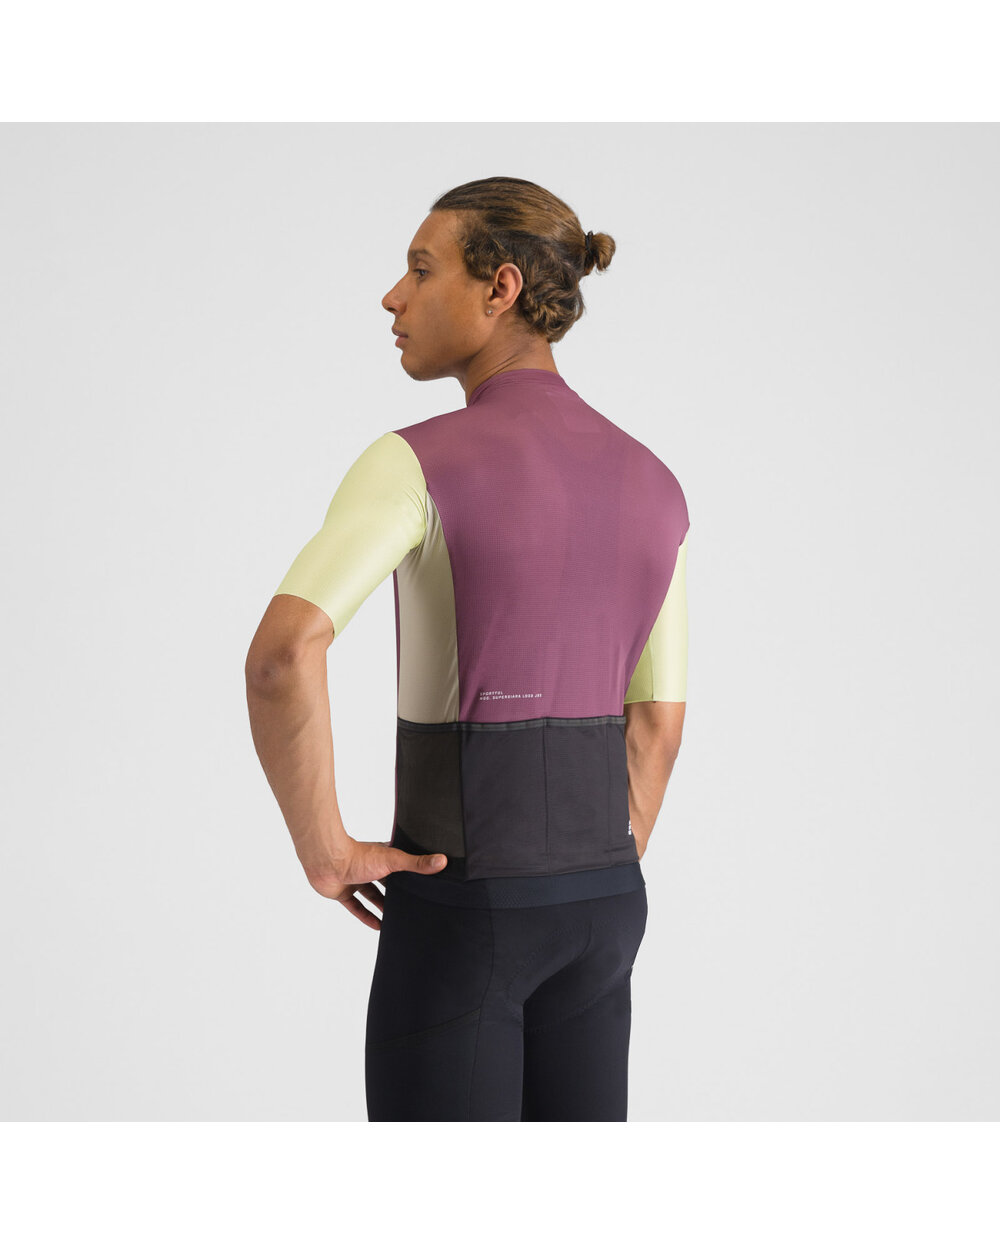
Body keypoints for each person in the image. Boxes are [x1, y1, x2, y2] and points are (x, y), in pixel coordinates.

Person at [245, 176, 689, 1121]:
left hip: (464, 905)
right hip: (605, 908)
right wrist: (584, 867)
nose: (392, 297)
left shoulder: (415, 460)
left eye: (419, 270)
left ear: (501, 288)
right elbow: (657, 722)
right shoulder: (655, 481)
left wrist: (326, 851)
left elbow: (283, 654)